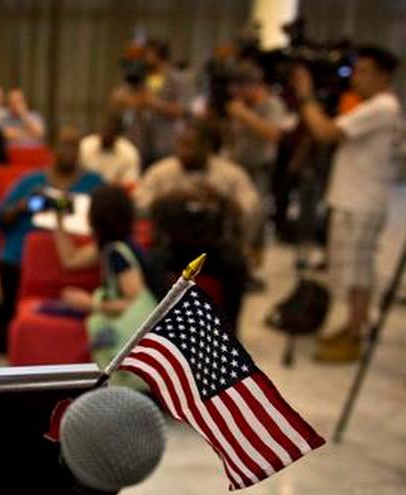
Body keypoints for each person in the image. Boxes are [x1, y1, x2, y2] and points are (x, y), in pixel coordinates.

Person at [291, 45, 402, 362]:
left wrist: (306, 96)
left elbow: (325, 132)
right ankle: (354, 326)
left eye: (364, 71)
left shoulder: (382, 107)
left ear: (383, 75)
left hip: (361, 203)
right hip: (356, 200)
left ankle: (355, 334)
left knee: (358, 273)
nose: (355, 78)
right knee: (354, 271)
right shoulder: (374, 106)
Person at [0, 127, 103, 352]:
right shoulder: (32, 182)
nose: (70, 151)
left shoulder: (94, 183)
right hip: (20, 259)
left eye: (75, 146)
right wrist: (26, 205)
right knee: (4, 325)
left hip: (75, 260)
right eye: (65, 145)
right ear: (52, 149)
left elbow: (107, 221)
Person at [135, 121, 256, 330]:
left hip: (212, 247)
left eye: (190, 146)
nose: (183, 152)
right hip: (172, 245)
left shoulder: (230, 174)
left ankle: (227, 332)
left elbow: (250, 208)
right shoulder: (162, 172)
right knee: (149, 262)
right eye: (180, 145)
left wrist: (222, 199)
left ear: (206, 147)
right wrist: (169, 198)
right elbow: (139, 204)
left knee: (237, 266)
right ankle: (160, 327)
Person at [53, 185, 161, 388]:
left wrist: (90, 303)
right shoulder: (113, 245)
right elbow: (71, 259)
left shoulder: (118, 253)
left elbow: (133, 302)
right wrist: (59, 219)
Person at [225, 62, 293, 282]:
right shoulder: (239, 105)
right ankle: (237, 265)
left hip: (260, 169)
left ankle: (252, 271)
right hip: (237, 169)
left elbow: (273, 134)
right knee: (235, 219)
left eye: (242, 87)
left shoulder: (271, 104)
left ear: (255, 85)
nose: (238, 93)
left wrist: (243, 114)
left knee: (255, 219)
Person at [113, 39, 189, 168]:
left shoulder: (176, 78)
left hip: (165, 143)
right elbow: (117, 97)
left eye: (147, 53)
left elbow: (183, 110)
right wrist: (134, 101)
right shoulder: (140, 76)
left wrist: (153, 103)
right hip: (139, 141)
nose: (143, 57)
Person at [78, 112, 141, 184]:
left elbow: (130, 183)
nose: (106, 134)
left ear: (118, 134)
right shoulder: (85, 145)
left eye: (111, 131)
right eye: (104, 130)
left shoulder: (129, 153)